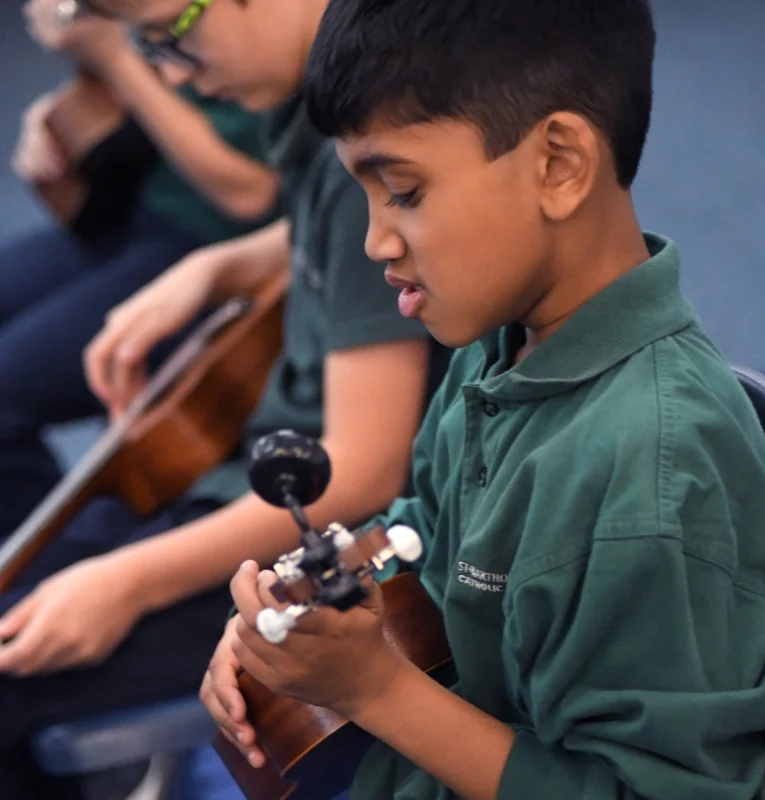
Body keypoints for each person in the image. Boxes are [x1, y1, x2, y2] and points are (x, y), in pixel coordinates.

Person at [202, 1, 765, 799]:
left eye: (403, 191)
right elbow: (426, 533)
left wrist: (376, 691)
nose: (376, 240)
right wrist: (307, 603)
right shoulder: (500, 345)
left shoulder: (652, 472)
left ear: (559, 165)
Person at [0, 0, 446, 797]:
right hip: (246, 484)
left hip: (328, 551)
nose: (169, 71)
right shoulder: (323, 116)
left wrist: (126, 582)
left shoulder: (370, 131)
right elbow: (327, 229)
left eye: (173, 35)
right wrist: (222, 266)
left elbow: (366, 467)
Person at [1, 0, 279, 535]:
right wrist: (65, 104)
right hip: (143, 203)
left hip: (218, 239)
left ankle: (41, 571)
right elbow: (143, 43)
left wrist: (111, 56)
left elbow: (248, 195)